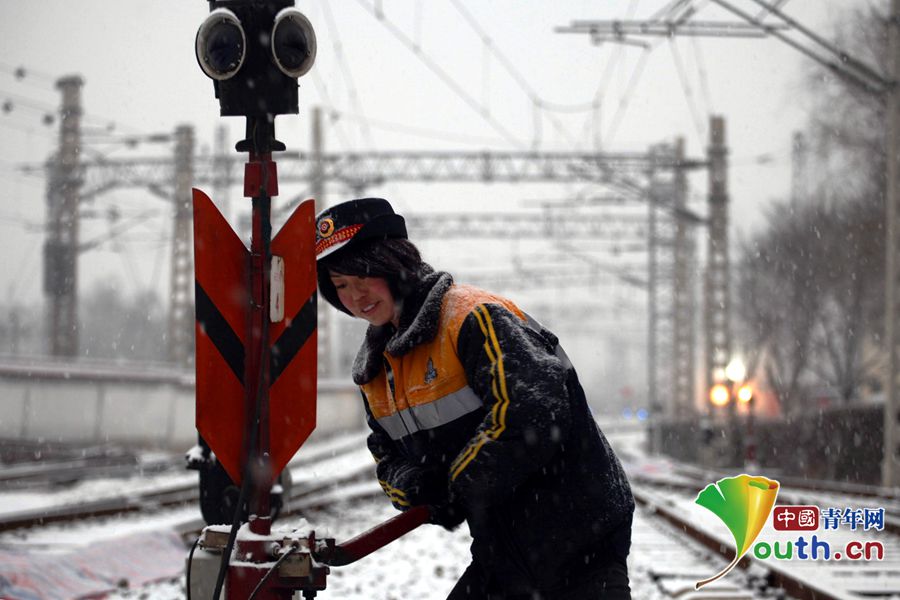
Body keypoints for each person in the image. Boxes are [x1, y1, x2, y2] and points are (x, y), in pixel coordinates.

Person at [315, 198, 635, 599]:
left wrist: (457, 484)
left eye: (363, 277)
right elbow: (385, 457)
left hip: (580, 534)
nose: (355, 296)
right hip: (501, 548)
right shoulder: (376, 371)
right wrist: (416, 485)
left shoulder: (472, 317)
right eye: (340, 286)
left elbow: (533, 413)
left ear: (394, 262)